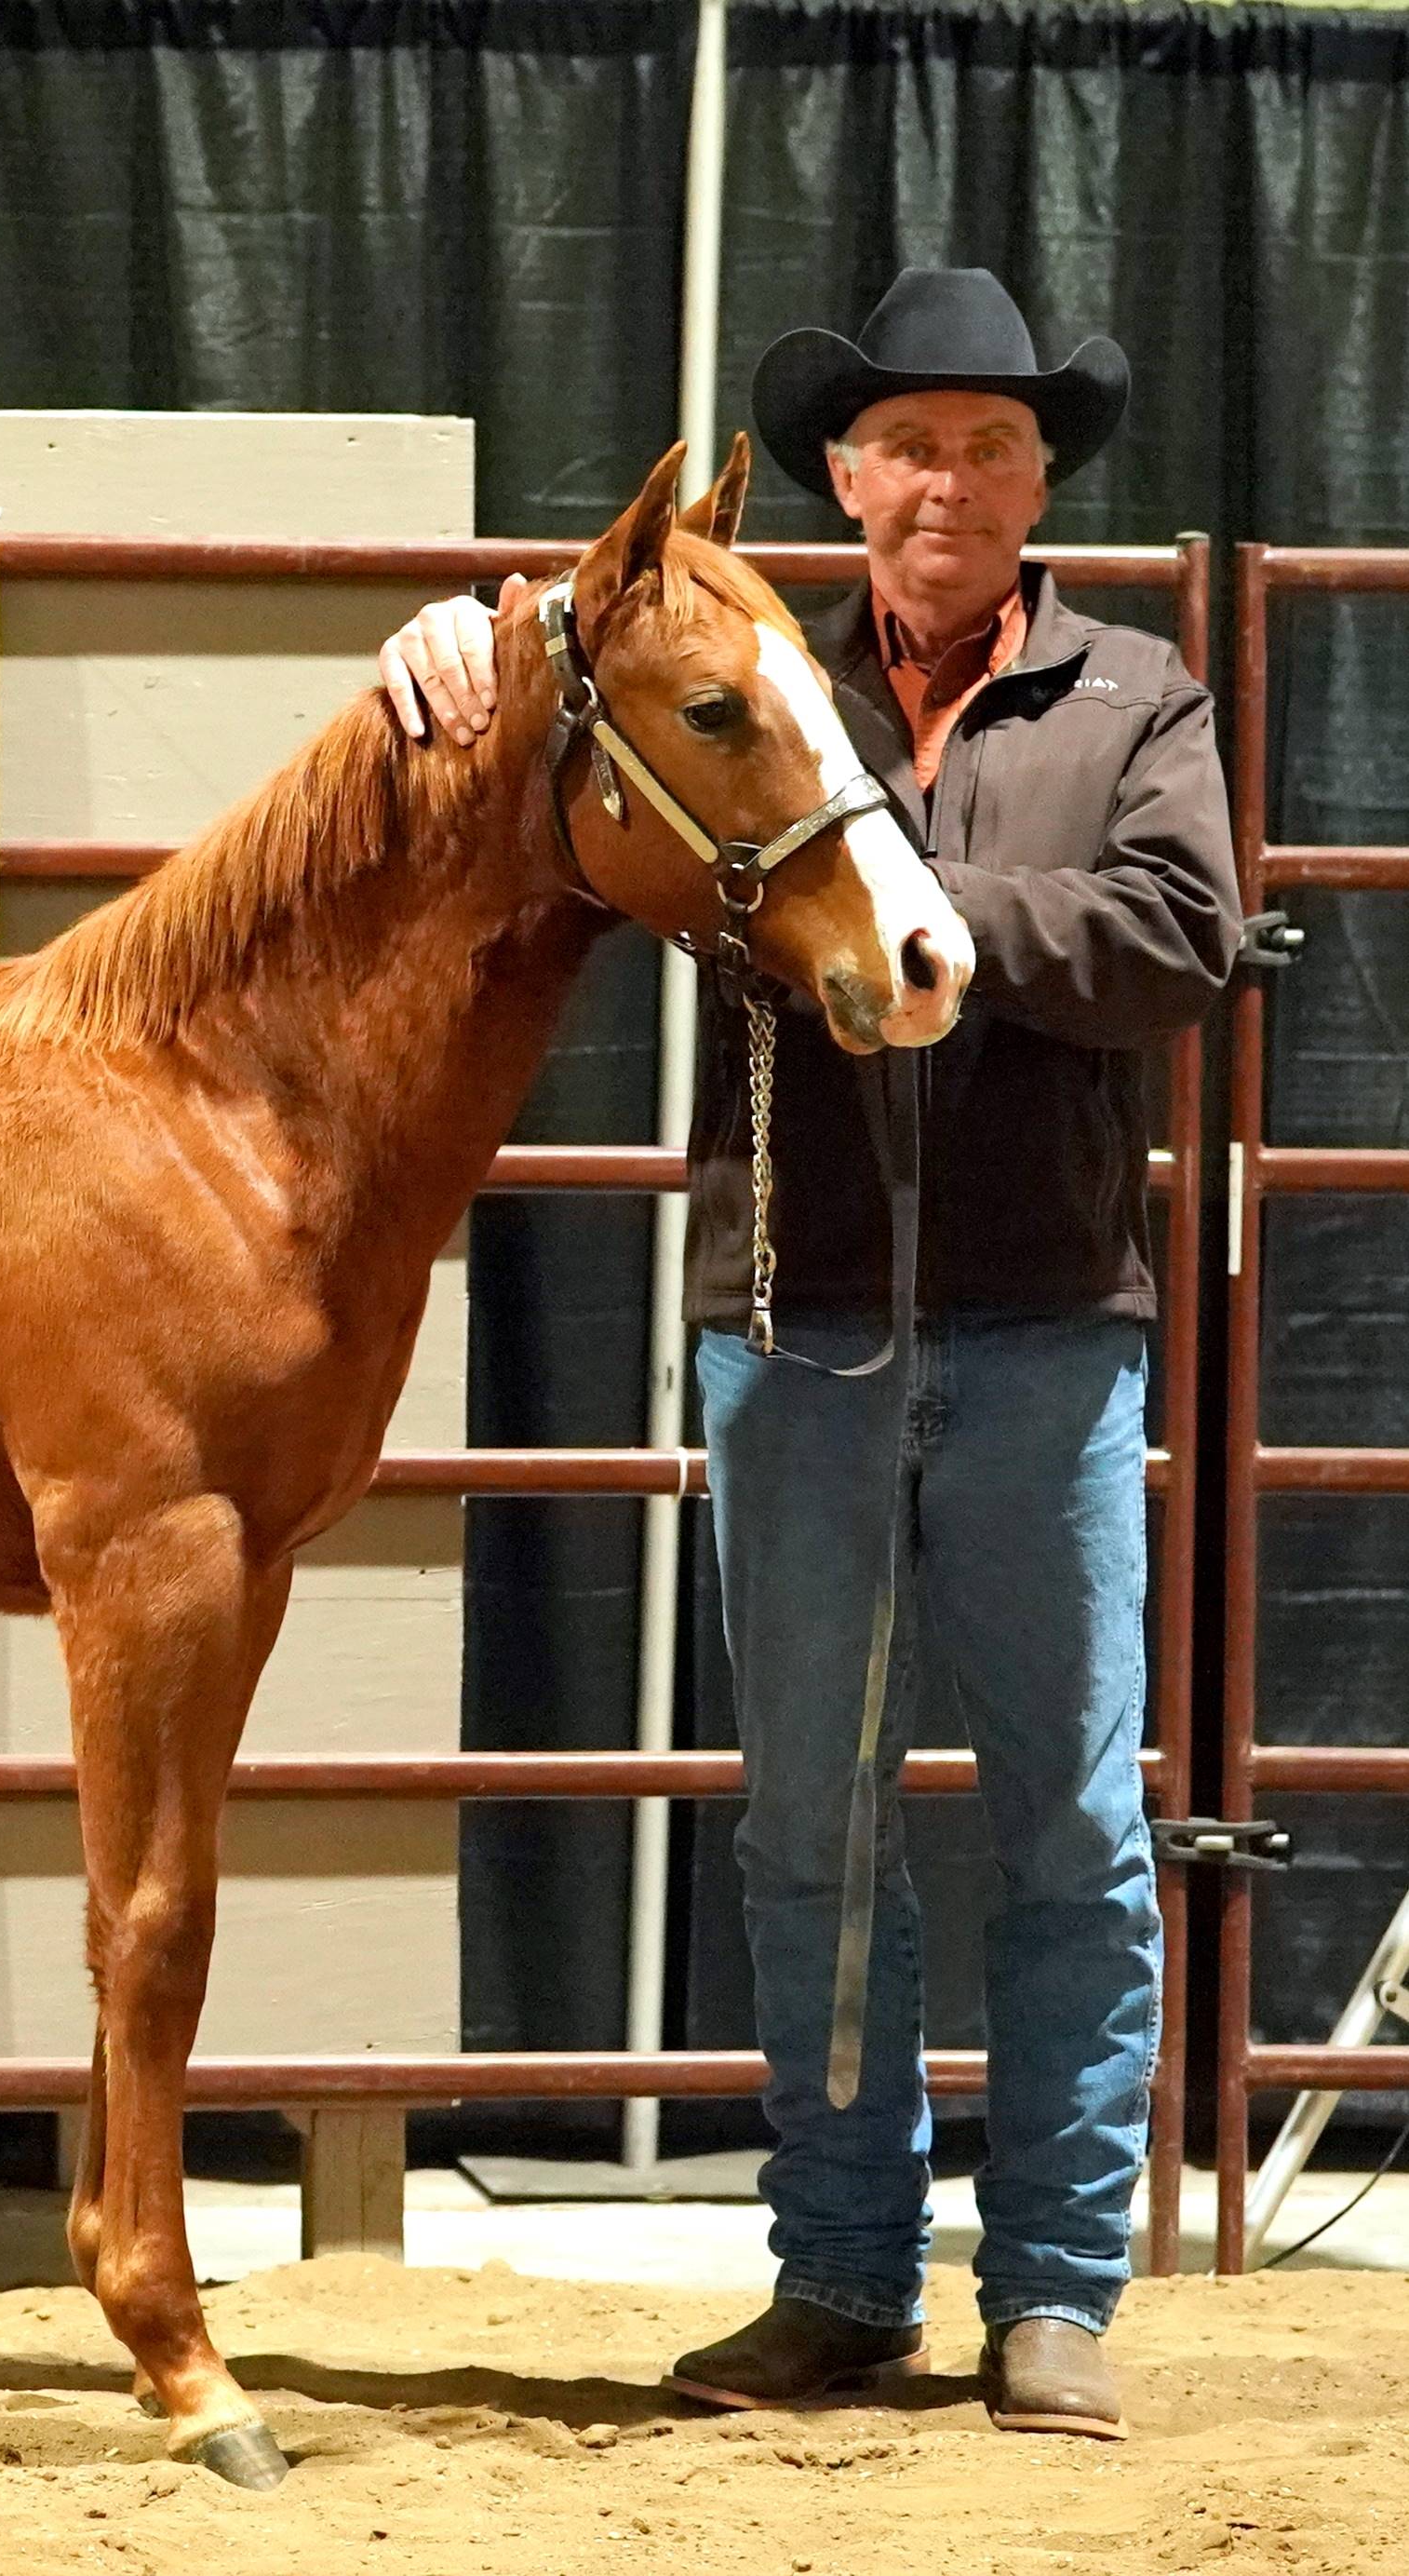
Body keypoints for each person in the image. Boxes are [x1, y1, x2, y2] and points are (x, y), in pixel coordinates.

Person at [377, 268, 1239, 2440]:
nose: (949, 483)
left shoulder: (1135, 696)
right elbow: (543, 668)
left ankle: (1050, 2289)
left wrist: (914, 912)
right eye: (910, 445)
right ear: (847, 476)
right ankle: (846, 2271)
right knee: (808, 1834)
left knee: (1070, 1830)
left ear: (1045, 480)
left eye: (995, 446)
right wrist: (437, 639)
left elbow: (1177, 937)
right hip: (797, 1323)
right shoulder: (750, 664)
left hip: (1052, 1331)